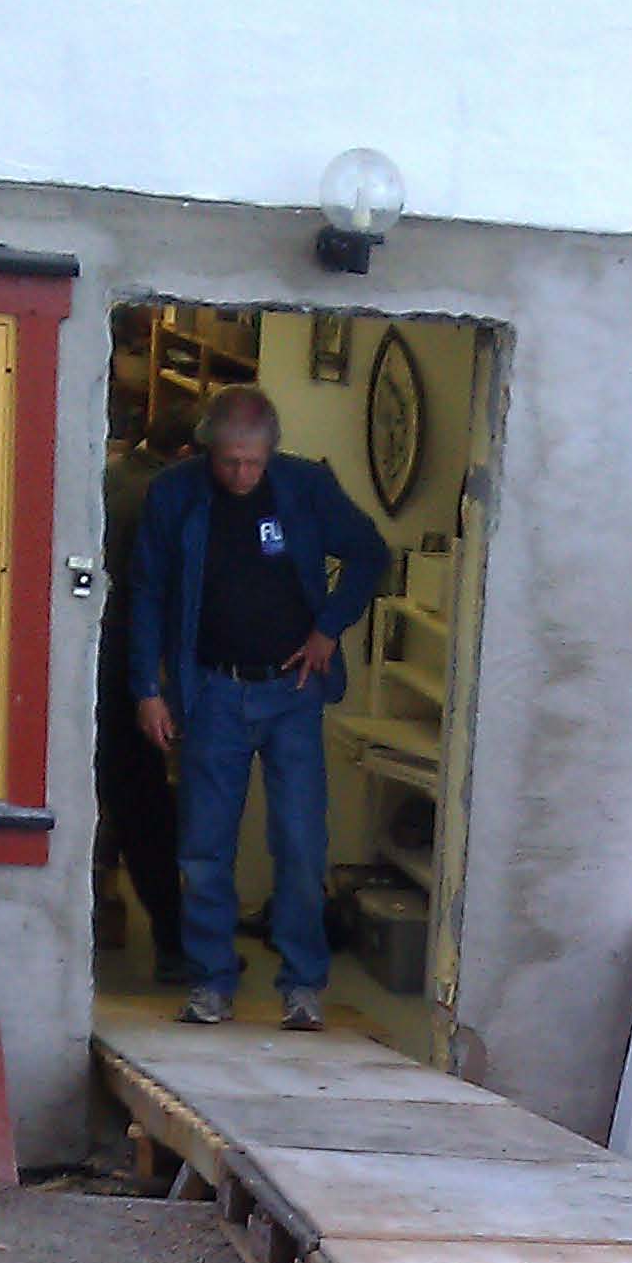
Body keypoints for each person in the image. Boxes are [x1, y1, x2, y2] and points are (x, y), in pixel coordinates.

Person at [128, 385, 388, 1031]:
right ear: (206, 450)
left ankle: (302, 984)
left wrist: (328, 627)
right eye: (230, 462)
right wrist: (147, 689)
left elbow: (369, 553)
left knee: (300, 842)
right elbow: (147, 591)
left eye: (254, 462)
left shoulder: (305, 487)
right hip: (211, 690)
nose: (243, 475)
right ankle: (211, 981)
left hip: (292, 691)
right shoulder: (174, 494)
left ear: (272, 450)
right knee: (203, 847)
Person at [97, 416, 189, 983]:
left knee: (119, 802)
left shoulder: (115, 476)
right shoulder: (158, 496)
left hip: (98, 661)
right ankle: (175, 946)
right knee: (146, 810)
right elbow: (157, 596)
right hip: (127, 669)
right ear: (185, 452)